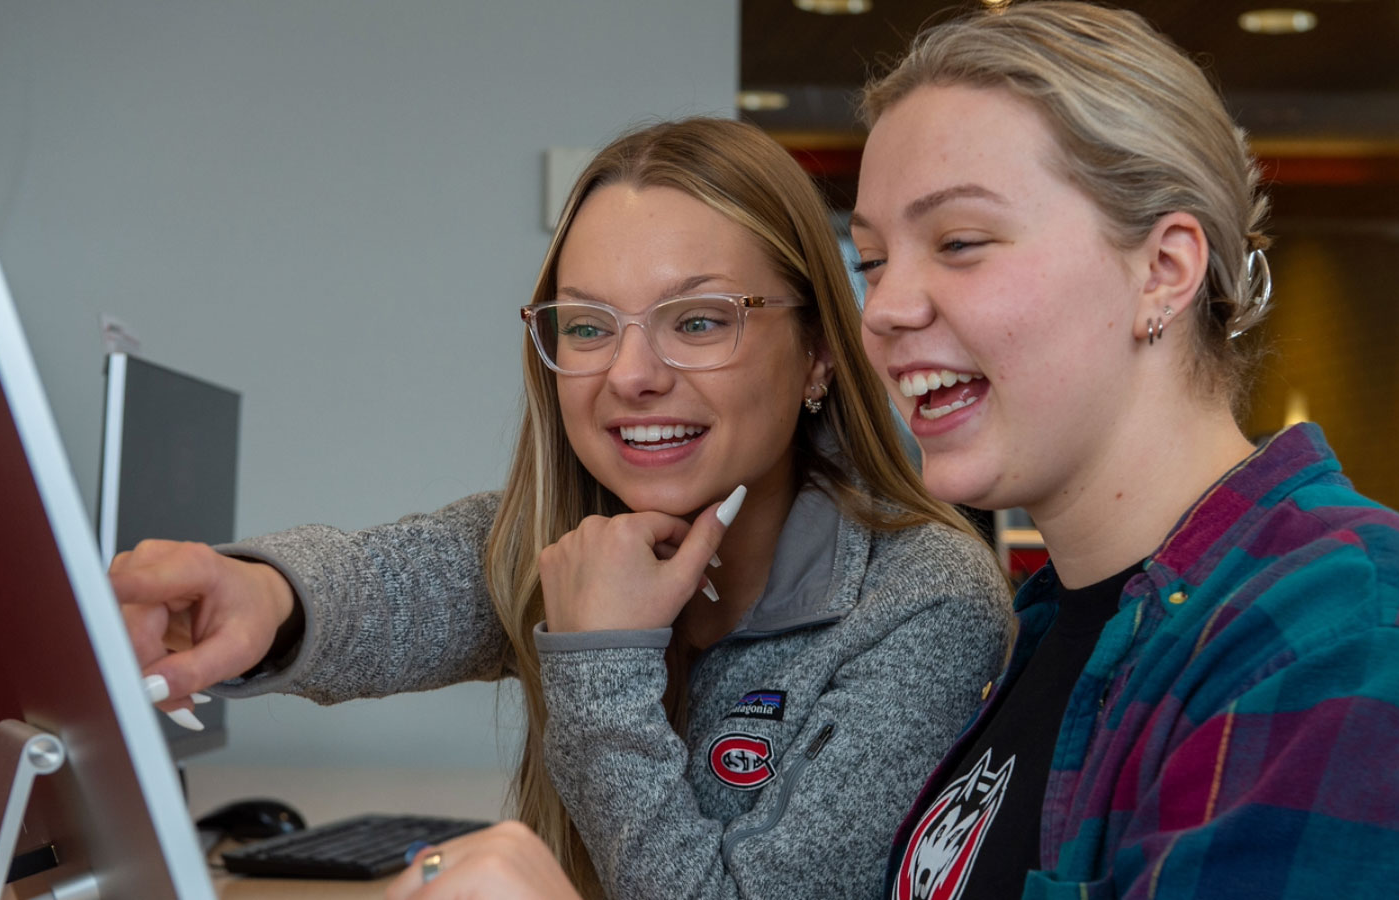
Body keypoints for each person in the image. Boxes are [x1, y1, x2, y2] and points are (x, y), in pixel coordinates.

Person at [114, 117, 1014, 900]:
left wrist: (602, 660)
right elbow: (398, 583)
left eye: (698, 321)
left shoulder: (921, 602)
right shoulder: (578, 534)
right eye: (587, 327)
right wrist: (264, 597)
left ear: (818, 351)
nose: (630, 375)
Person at [845, 3, 1399, 898]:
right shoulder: (1058, 626)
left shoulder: (1353, 642)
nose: (885, 308)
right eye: (872, 261)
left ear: (1164, 268)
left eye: (960, 242)